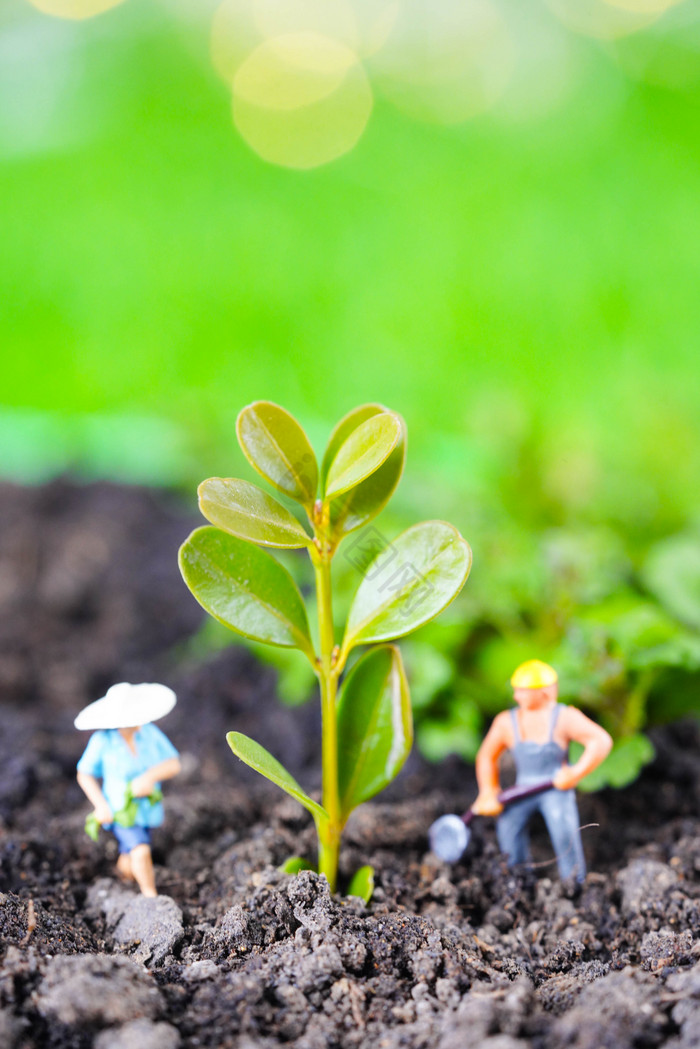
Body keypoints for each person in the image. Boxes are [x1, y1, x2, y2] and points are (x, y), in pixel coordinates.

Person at [473, 660, 612, 882]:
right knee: (508, 826)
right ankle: (516, 880)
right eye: (516, 690)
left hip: (555, 788)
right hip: (523, 788)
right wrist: (488, 791)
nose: (517, 696)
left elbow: (601, 741)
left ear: (545, 692)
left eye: (523, 691)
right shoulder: (506, 723)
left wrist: (575, 773)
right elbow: (486, 756)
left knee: (564, 831)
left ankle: (573, 883)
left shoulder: (564, 718)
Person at [75, 682, 181, 897]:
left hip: (146, 808)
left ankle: (123, 879)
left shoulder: (150, 733)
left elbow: (173, 764)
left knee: (128, 853)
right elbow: (84, 774)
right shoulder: (102, 741)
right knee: (141, 850)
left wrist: (149, 776)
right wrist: (100, 805)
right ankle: (150, 896)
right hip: (119, 810)